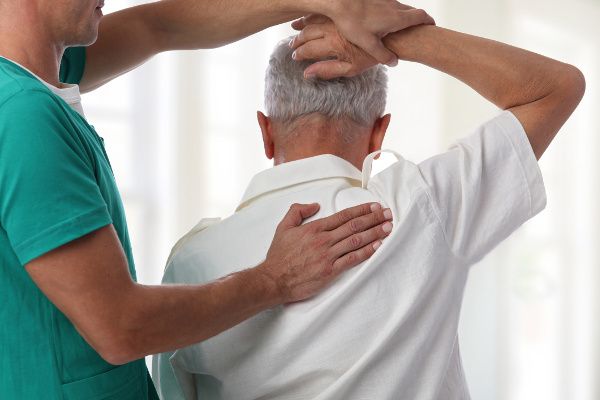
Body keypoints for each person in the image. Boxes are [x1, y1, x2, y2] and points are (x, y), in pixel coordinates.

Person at [0, 0, 436, 398]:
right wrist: (275, 278)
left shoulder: (36, 81)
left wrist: (333, 6)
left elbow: (161, 25)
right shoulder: (24, 114)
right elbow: (119, 327)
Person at [154, 11, 585, 400]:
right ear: (380, 133)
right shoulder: (421, 203)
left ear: (265, 132)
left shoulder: (189, 262)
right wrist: (393, 39)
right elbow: (556, 88)